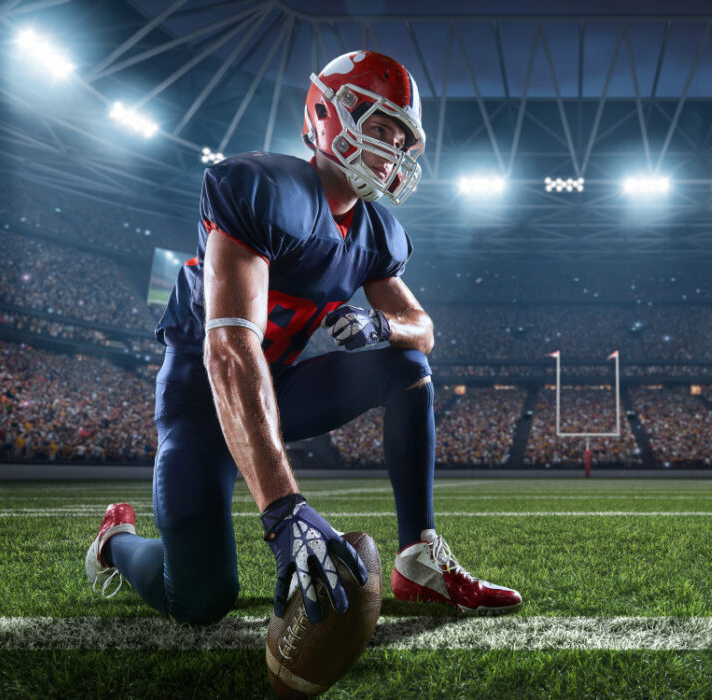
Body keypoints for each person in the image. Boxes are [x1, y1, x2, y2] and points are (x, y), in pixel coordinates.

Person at [83, 50, 521, 625]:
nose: (392, 151)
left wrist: (382, 326)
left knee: (406, 365)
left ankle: (418, 559)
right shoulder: (262, 189)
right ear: (327, 115)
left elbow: (424, 332)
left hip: (277, 388)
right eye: (380, 128)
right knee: (199, 598)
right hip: (202, 396)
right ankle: (115, 542)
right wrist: (284, 509)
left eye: (401, 139)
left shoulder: (377, 231)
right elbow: (227, 353)